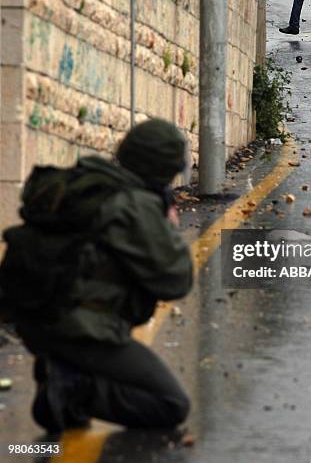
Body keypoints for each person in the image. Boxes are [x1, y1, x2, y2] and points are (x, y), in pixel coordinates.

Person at [0, 118, 193, 433]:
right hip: (77, 329)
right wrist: (170, 228)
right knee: (171, 404)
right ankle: (70, 390)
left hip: (33, 317)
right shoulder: (133, 205)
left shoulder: (88, 180)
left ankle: (62, 380)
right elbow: (176, 280)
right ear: (162, 169)